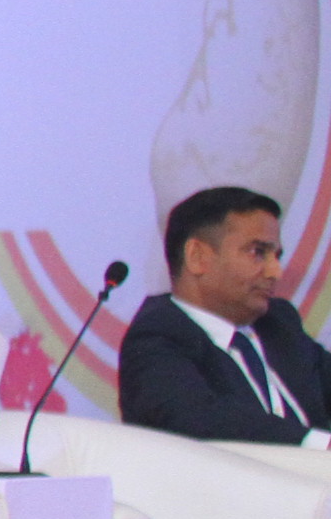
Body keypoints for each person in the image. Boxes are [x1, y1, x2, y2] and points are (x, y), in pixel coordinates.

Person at [119, 186, 331, 449]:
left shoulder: (277, 323)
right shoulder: (156, 337)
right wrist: (318, 444)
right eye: (258, 252)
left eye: (276, 256)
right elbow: (198, 418)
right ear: (197, 257)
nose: (275, 272)